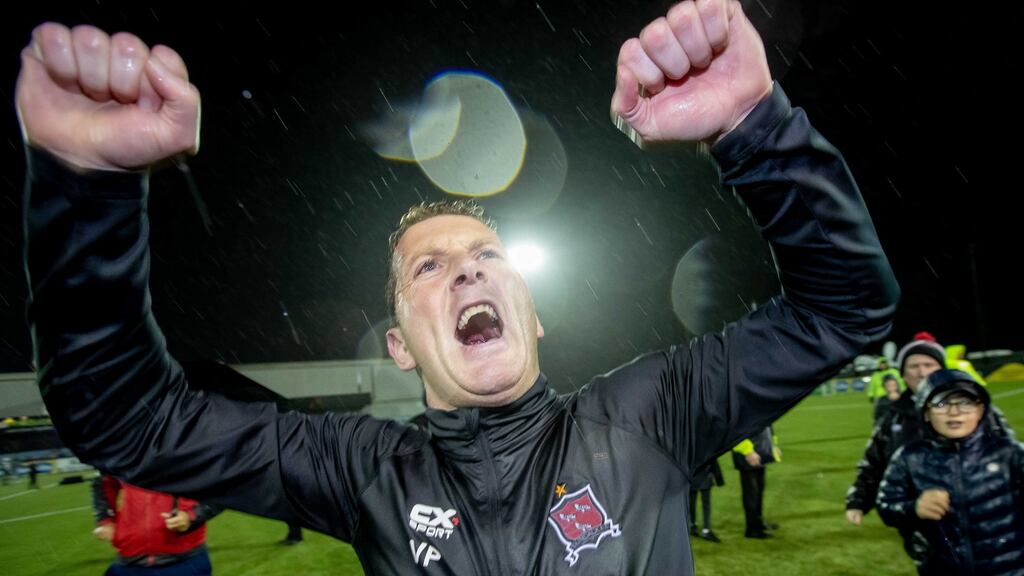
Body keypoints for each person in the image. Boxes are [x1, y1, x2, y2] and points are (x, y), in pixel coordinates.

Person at [19, 1, 898, 573]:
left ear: (534, 314)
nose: (467, 267)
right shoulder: (362, 469)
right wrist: (87, 189)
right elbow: (125, 418)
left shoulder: (648, 414)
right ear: (400, 345)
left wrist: (755, 128)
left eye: (486, 252)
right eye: (428, 268)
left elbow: (844, 304)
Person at [845, 334, 1013, 525]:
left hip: (981, 514)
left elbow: (1006, 454)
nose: (922, 372)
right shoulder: (893, 416)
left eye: (928, 365)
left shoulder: (976, 409)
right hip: (920, 525)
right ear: (903, 374)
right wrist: (858, 499)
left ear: (942, 369)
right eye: (913, 366)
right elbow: (874, 460)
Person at [876, 369, 1024, 575]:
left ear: (980, 410)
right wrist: (914, 508)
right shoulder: (910, 458)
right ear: (925, 412)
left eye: (965, 402)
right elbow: (886, 505)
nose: (954, 412)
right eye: (941, 403)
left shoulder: (1009, 453)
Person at [92, 475, 222, 575]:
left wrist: (191, 517)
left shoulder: (193, 446)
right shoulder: (125, 447)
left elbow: (222, 488)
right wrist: (105, 519)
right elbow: (105, 482)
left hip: (184, 560)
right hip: (129, 559)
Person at [731, 426, 781, 539]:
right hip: (748, 456)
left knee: (759, 490)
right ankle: (752, 529)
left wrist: (773, 445)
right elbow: (735, 431)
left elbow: (769, 425)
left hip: (760, 453)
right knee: (751, 493)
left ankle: (758, 522)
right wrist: (748, 451)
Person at [688, 459, 724, 542]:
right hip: (705, 475)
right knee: (706, 505)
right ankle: (706, 530)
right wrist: (719, 478)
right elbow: (713, 458)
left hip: (691, 476)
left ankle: (692, 526)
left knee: (691, 503)